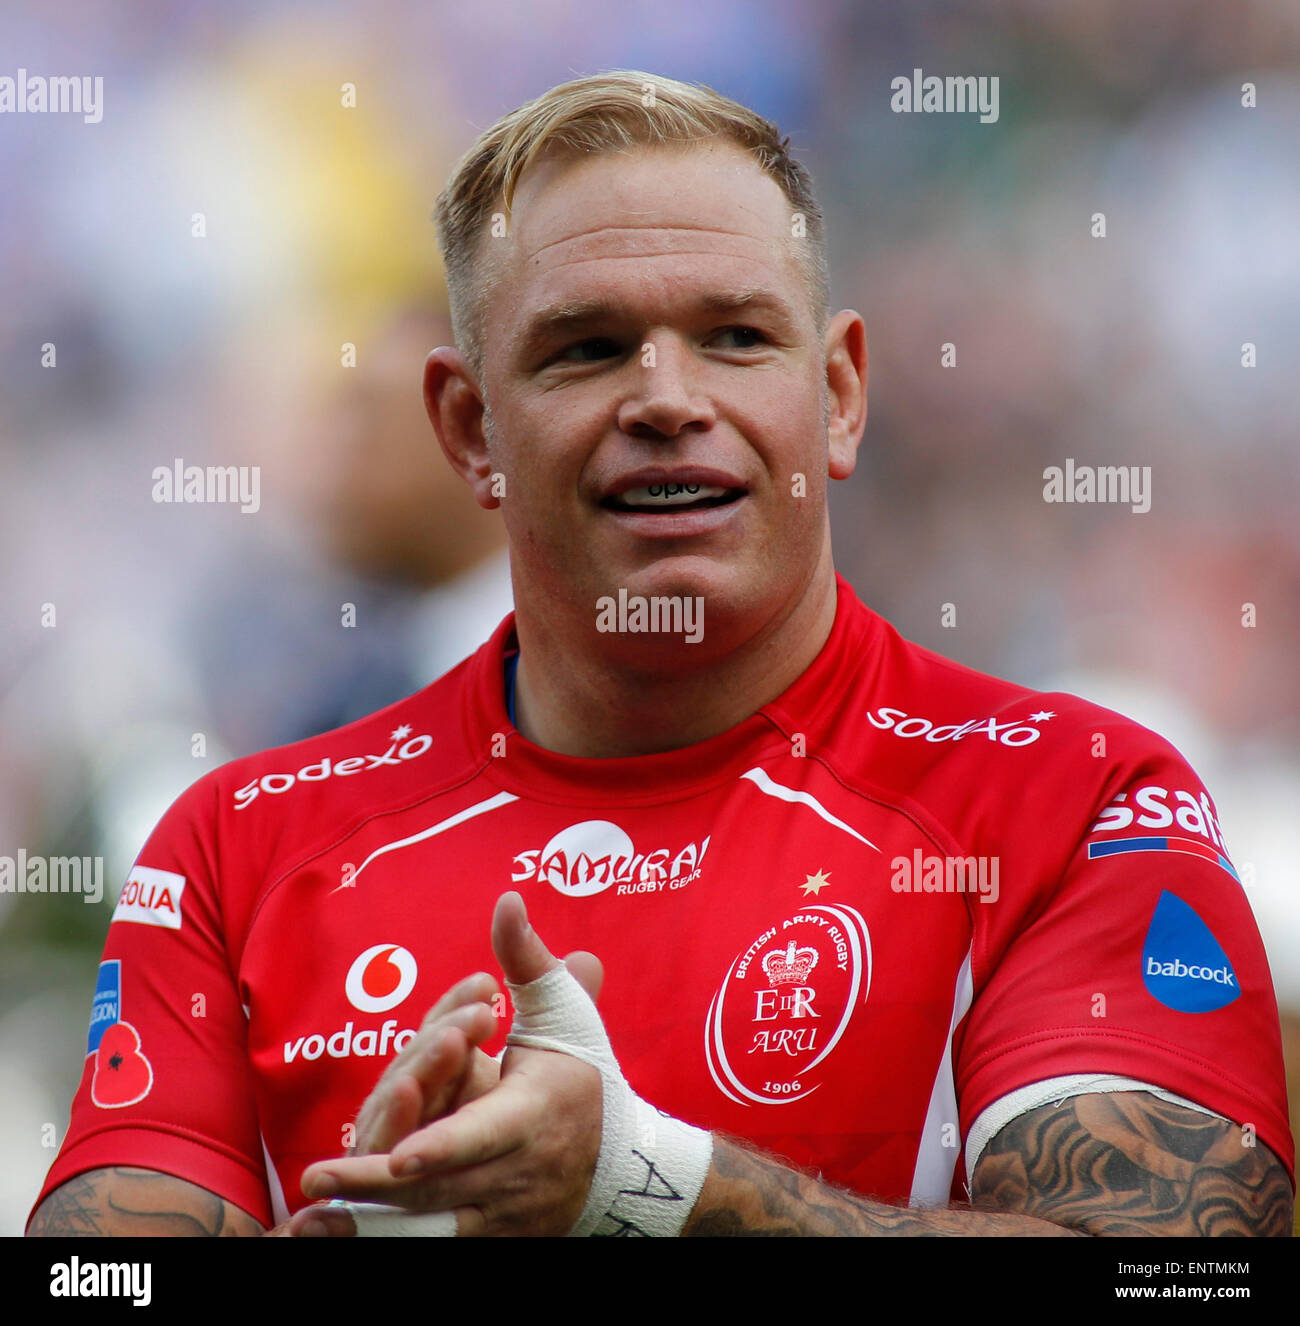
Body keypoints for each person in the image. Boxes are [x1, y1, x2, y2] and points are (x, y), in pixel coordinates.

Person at [28, 71, 1293, 1238]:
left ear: (839, 395)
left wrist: (643, 1183)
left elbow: (1183, 1268)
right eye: (586, 349)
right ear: (471, 432)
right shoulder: (235, 849)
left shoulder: (1074, 797)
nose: (667, 397)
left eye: (737, 337)